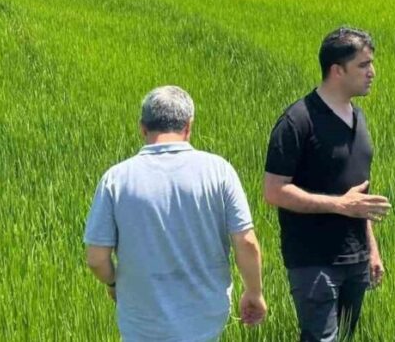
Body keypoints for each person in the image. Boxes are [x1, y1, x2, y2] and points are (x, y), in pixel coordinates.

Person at [84, 85, 267, 342]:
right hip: (206, 316)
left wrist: (114, 284)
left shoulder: (116, 178)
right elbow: (246, 242)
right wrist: (254, 293)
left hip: (142, 320)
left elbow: (95, 258)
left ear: (142, 128)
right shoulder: (219, 171)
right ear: (188, 126)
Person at [263, 27, 391, 342]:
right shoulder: (297, 122)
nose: (372, 72)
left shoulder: (358, 119)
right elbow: (273, 191)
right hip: (313, 261)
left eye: (371, 64)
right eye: (363, 65)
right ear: (337, 70)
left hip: (356, 259)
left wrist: (371, 249)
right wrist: (338, 205)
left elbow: (359, 196)